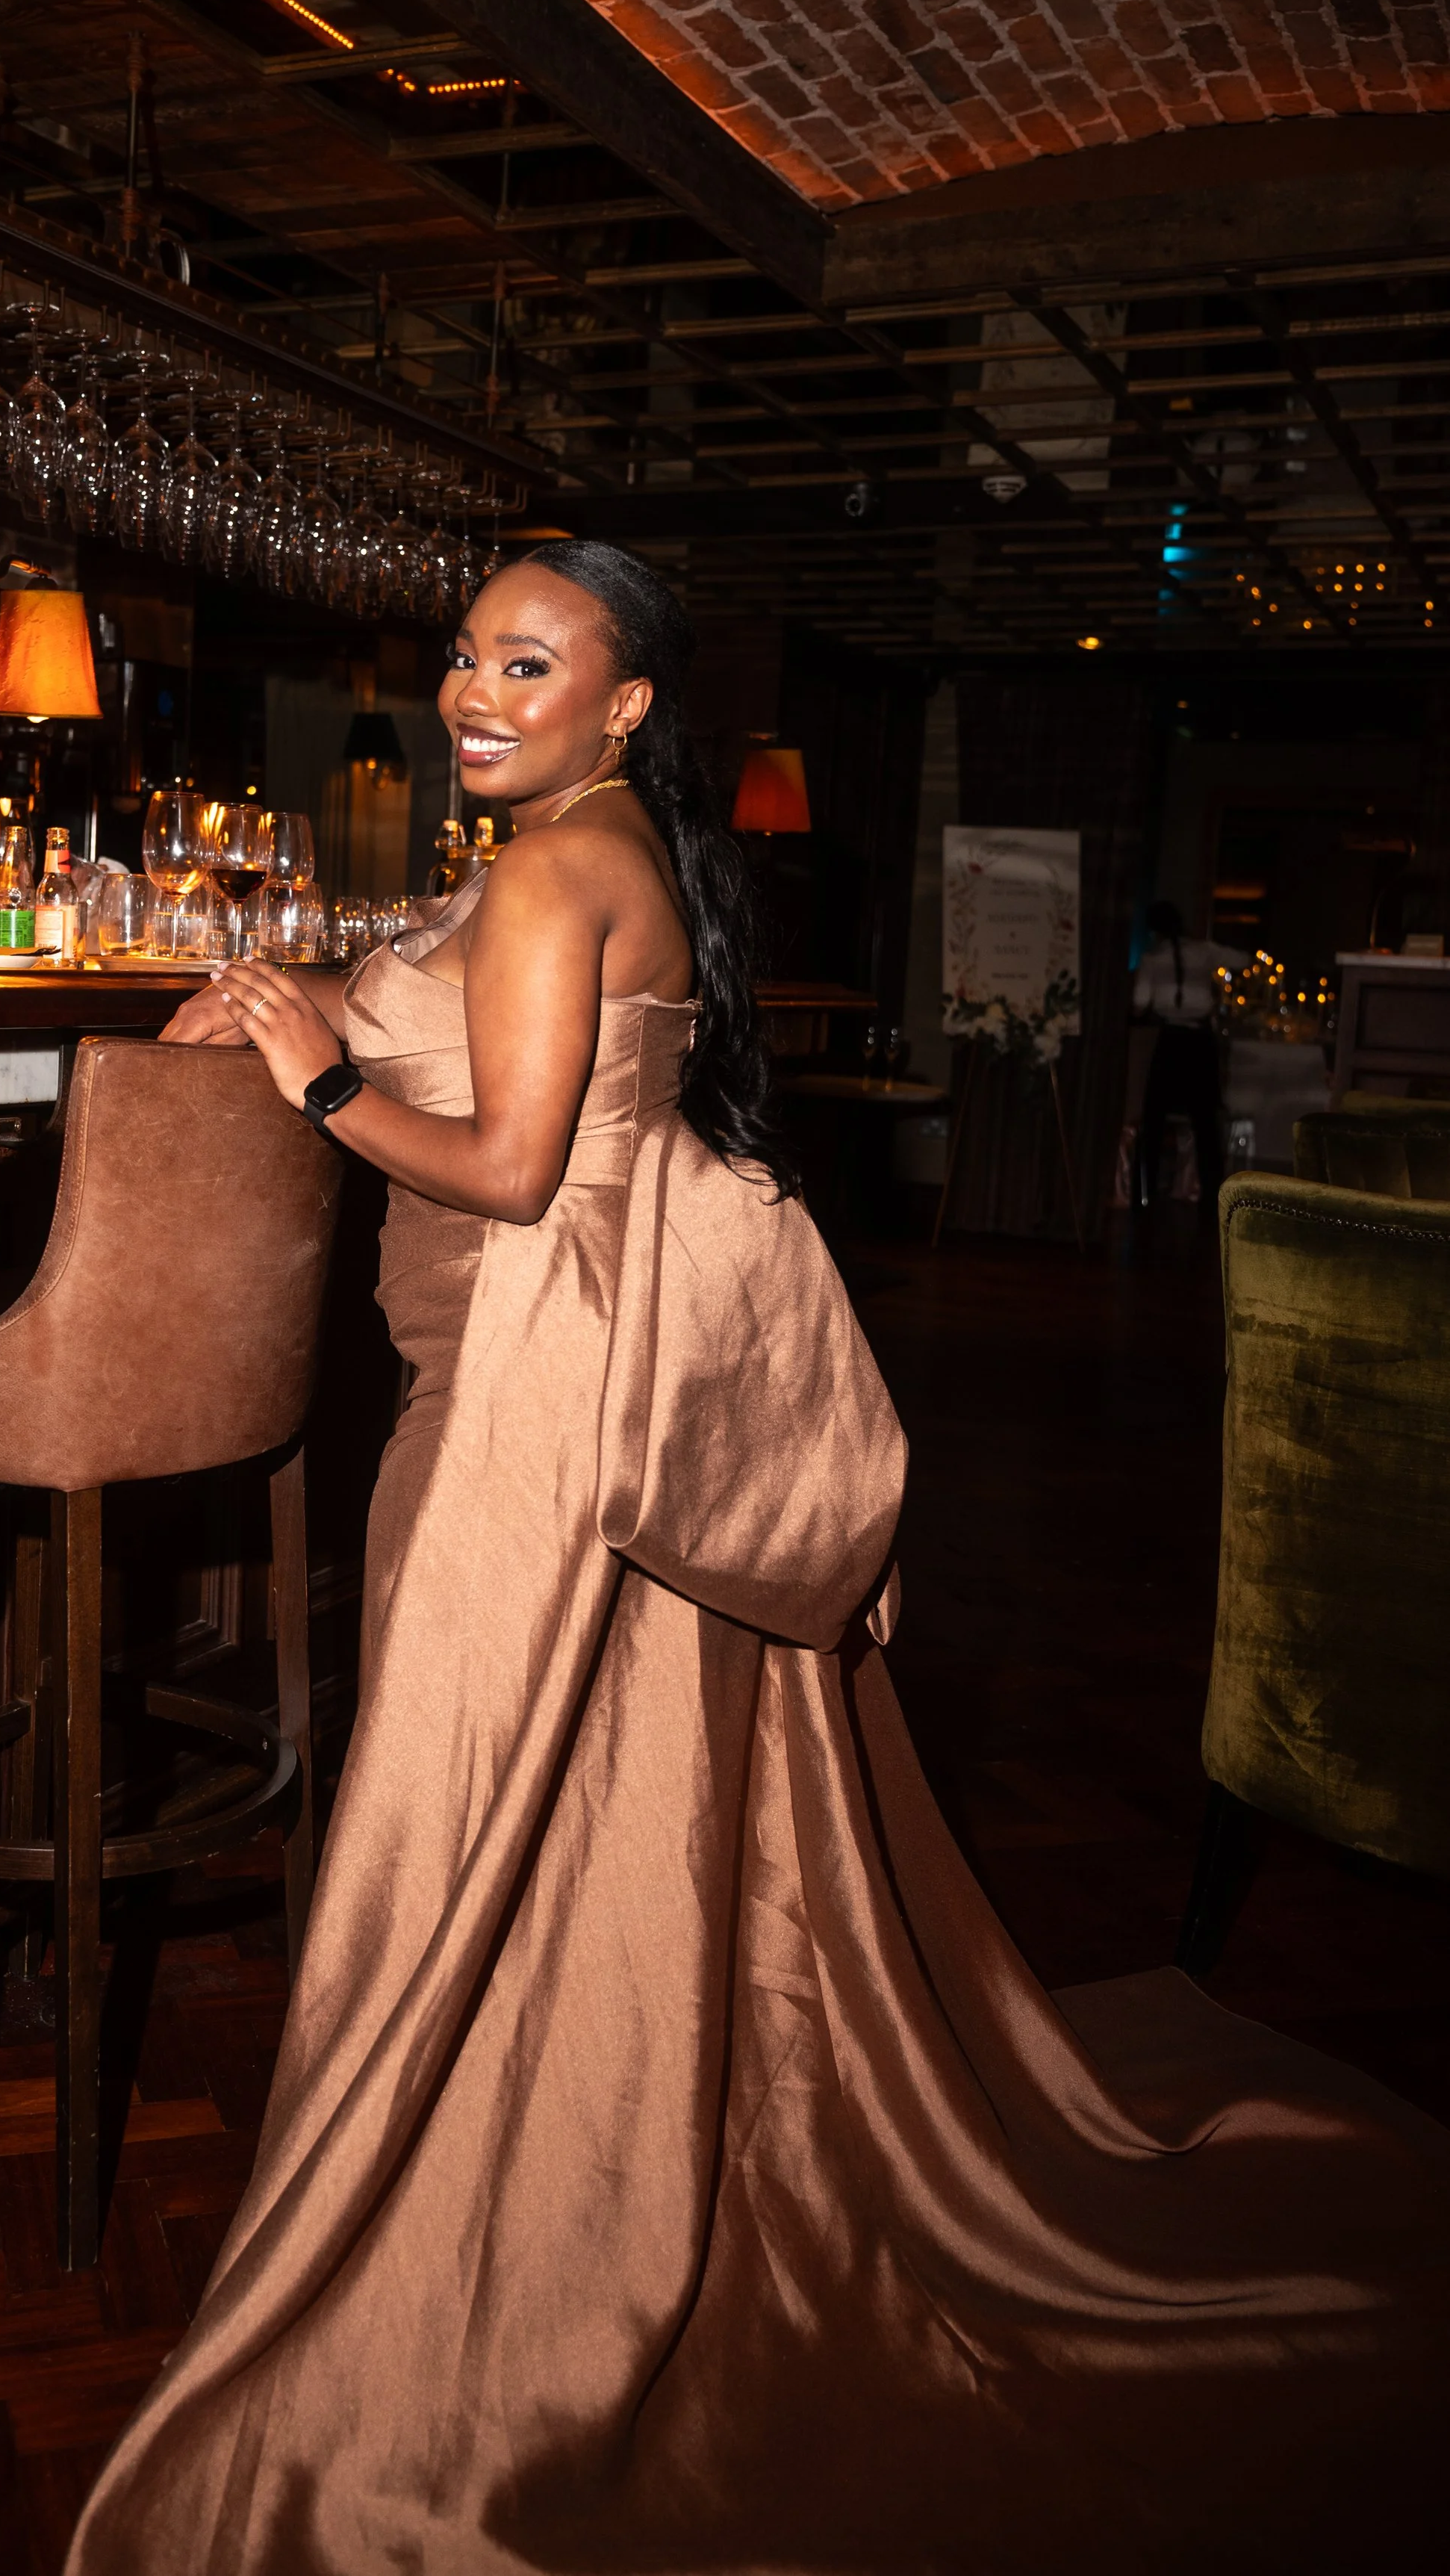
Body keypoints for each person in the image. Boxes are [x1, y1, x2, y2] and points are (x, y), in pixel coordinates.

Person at [73, 545, 1448, 2575]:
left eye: (525, 662)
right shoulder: (581, 842)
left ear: (621, 703)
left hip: (530, 1419)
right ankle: (566, 2206)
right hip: (573, 1399)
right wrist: (332, 979)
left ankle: (421, 2298)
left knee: (452, 1826)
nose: (474, 686)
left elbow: (511, 1164)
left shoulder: (554, 866)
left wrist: (319, 1064)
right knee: (595, 1821)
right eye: (465, 652)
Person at [1131, 899, 1228, 1210]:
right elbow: (1242, 959)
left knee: (1156, 1116)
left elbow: (1140, 1002)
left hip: (1173, 1040)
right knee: (1204, 1119)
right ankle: (1212, 1192)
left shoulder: (1152, 958)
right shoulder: (1204, 951)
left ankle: (1145, 1190)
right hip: (1197, 1041)